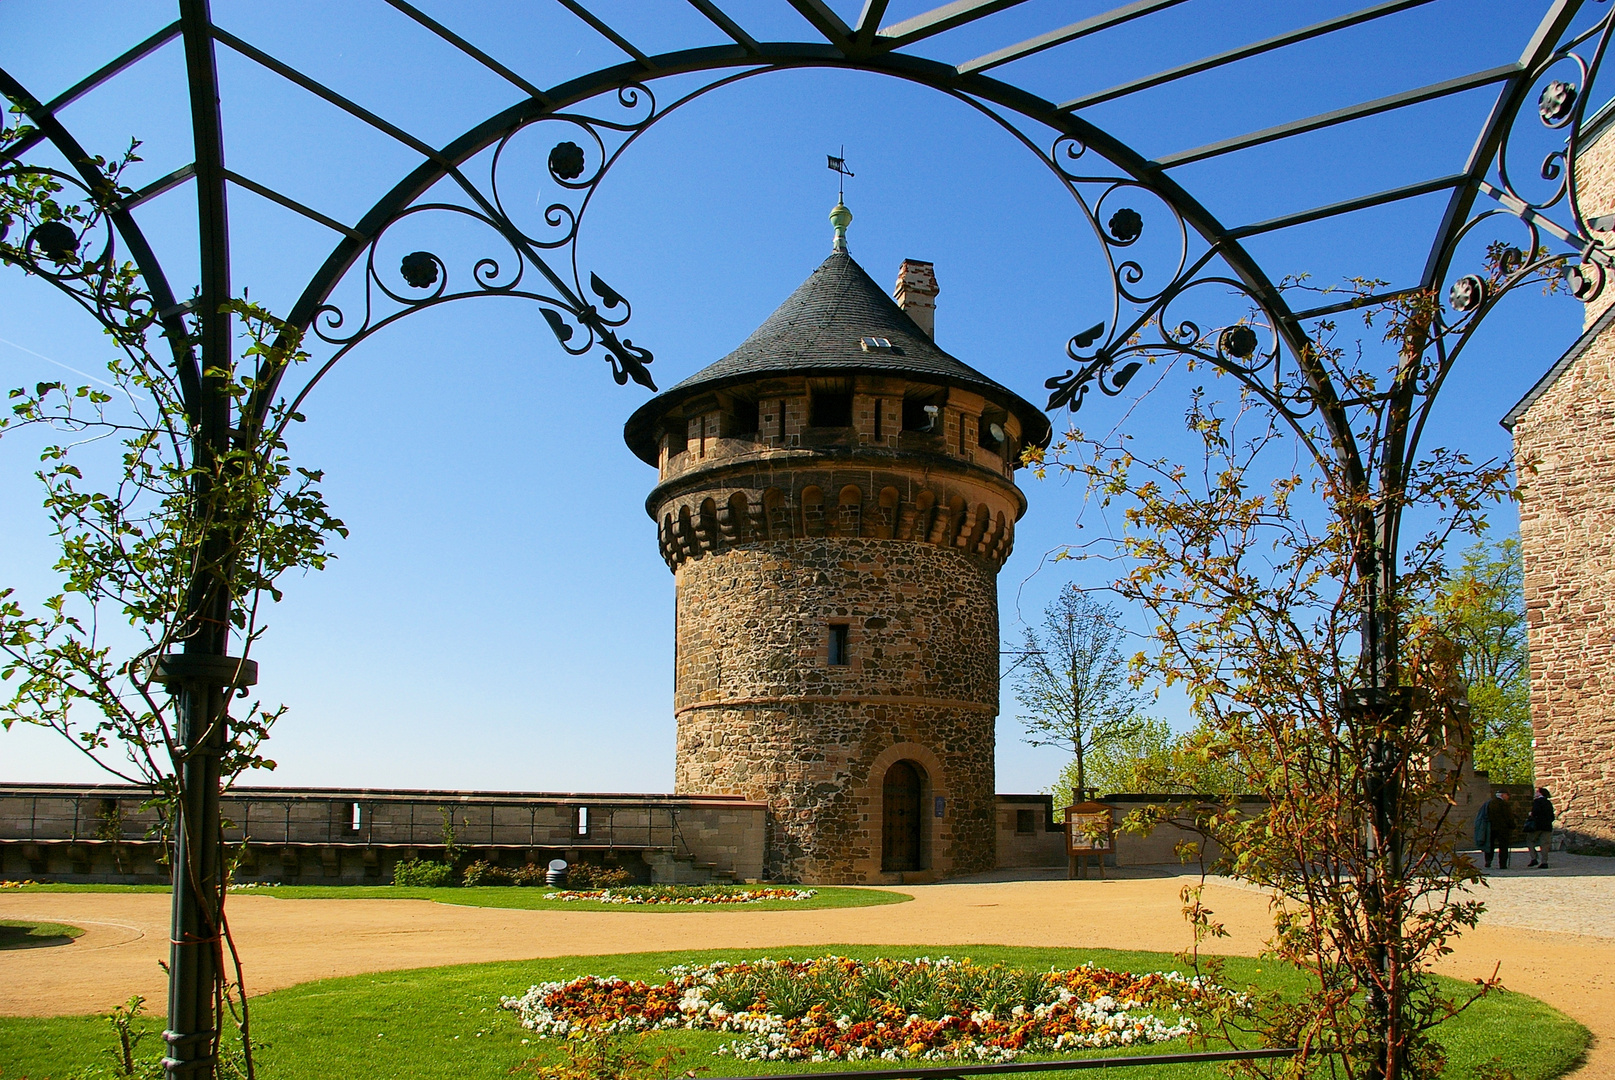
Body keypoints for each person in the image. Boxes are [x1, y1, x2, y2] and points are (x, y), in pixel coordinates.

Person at [1482, 790, 1516, 869]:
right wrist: (1512, 825)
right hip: (1503, 828)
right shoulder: (1504, 804)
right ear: (1503, 795)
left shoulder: (1489, 803)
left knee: (1490, 845)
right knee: (1503, 846)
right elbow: (1508, 817)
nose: (1508, 797)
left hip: (1491, 827)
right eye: (1507, 795)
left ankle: (1488, 861)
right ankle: (1502, 864)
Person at [1525, 786, 1555, 868]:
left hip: (1537, 826)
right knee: (1545, 844)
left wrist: (1530, 815)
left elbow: (1535, 813)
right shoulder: (1548, 803)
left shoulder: (1537, 802)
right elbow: (1552, 816)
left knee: (1530, 841)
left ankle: (1534, 858)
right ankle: (1544, 862)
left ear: (1540, 793)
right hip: (1547, 826)